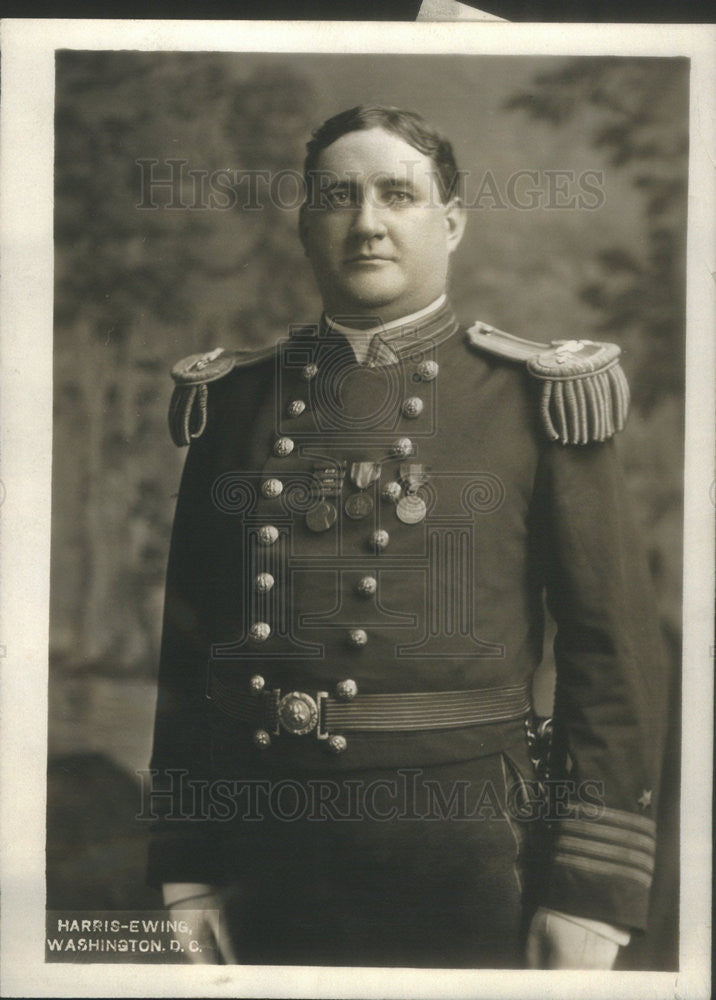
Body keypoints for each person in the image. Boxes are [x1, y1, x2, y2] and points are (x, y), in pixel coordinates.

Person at [147, 105, 668, 969]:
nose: (368, 223)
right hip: (260, 852)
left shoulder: (534, 400)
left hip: (467, 855)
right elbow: (189, 653)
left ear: (453, 221)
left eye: (400, 195)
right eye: (338, 197)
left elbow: (611, 656)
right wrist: (185, 869)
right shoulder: (235, 402)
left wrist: (591, 895)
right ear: (306, 222)